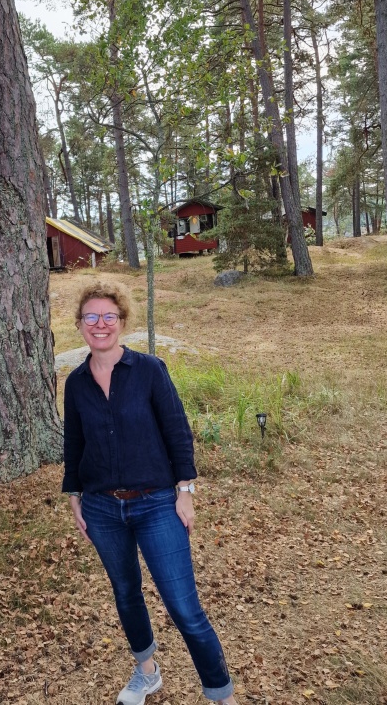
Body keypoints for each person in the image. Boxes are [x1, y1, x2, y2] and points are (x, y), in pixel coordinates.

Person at [62, 281, 238, 705]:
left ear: (122, 322)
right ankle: (147, 672)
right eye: (91, 317)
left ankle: (221, 696)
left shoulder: (149, 370)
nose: (100, 325)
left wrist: (185, 490)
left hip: (158, 502)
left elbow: (178, 432)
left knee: (184, 606)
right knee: (125, 591)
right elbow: (74, 444)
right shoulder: (76, 382)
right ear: (80, 325)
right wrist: (74, 495)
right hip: (102, 509)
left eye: (108, 317)